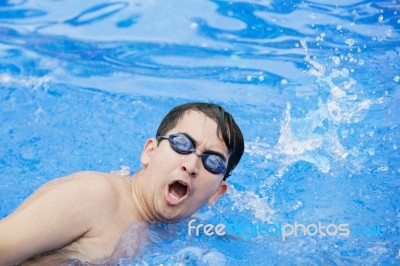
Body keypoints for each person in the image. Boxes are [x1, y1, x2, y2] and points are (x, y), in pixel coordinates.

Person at [0, 102, 244, 265]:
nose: (191, 165)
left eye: (212, 162)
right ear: (150, 152)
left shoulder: (181, 227)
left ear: (217, 192)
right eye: (181, 144)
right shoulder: (93, 196)